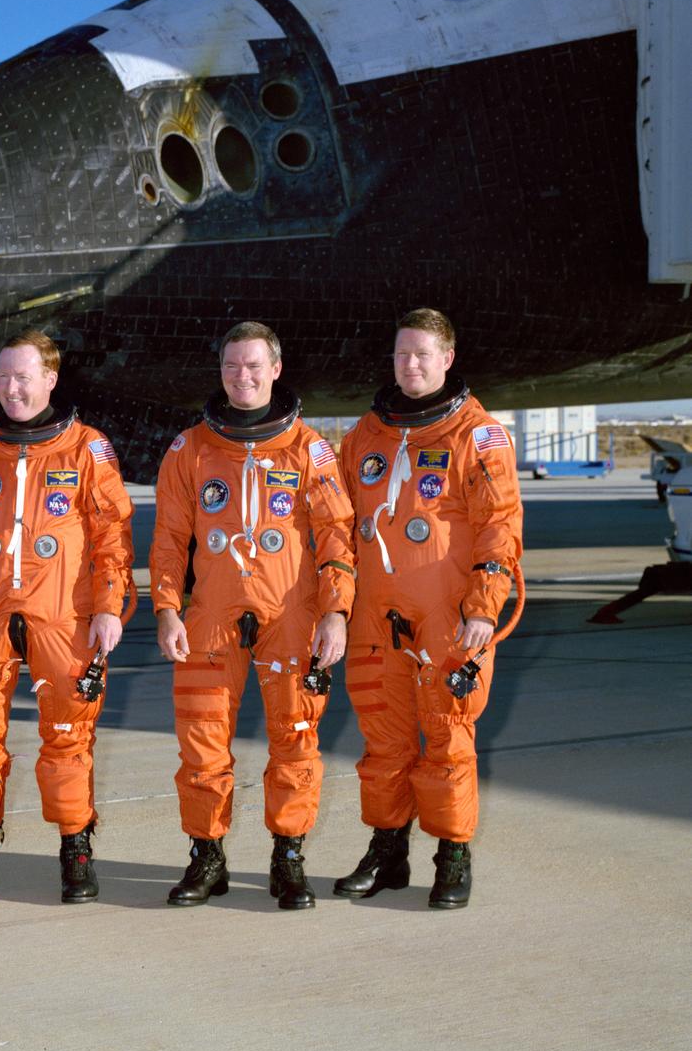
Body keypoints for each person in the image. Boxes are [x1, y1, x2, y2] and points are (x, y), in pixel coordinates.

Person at [0, 329, 134, 902]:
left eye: (23, 377)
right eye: (3, 377)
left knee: (68, 736)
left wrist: (109, 606)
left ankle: (76, 849)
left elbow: (112, 536)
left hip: (63, 616)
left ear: (50, 379)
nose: (11, 388)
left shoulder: (86, 447)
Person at [152, 321, 355, 909]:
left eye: (253, 365)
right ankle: (206, 857)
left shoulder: (309, 448)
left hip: (290, 613)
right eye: (231, 366)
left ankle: (287, 858)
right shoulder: (190, 449)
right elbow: (169, 539)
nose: (242, 376)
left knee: (296, 738)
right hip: (210, 615)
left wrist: (336, 612)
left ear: (276, 369)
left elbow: (337, 536)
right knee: (201, 742)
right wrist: (166, 609)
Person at [335, 308, 522, 908]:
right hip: (375, 619)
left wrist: (483, 609)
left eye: (421, 354)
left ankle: (452, 855)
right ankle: (388, 852)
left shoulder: (478, 435)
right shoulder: (366, 436)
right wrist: (333, 606)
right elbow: (336, 527)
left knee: (447, 739)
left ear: (448, 358)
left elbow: (499, 528)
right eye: (401, 354)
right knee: (383, 745)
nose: (409, 365)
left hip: (449, 619)